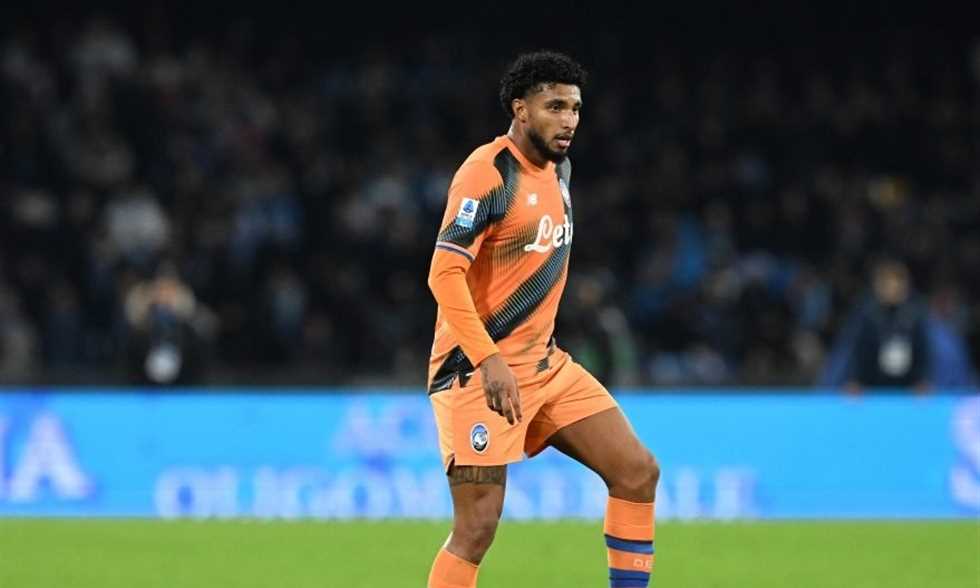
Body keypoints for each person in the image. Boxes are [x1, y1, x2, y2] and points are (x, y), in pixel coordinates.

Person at [425, 51, 659, 588]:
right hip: (476, 374)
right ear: (521, 109)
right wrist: (489, 359)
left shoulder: (561, 169)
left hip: (546, 368)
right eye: (555, 106)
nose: (569, 120)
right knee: (476, 528)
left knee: (637, 472)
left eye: (575, 108)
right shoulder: (487, 174)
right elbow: (443, 275)